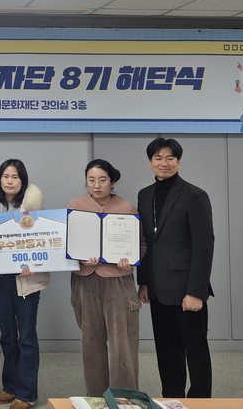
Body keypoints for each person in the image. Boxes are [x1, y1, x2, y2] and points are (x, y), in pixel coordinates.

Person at [137, 138, 214, 398]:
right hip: (158, 289)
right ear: (150, 163)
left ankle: (201, 401)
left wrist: (197, 292)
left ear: (179, 162)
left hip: (186, 289)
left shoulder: (195, 195)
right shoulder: (144, 195)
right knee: (167, 349)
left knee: (195, 349)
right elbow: (146, 242)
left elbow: (204, 246)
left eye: (170, 158)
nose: (164, 163)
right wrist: (144, 282)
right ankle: (172, 398)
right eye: (158, 158)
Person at [67, 159, 145, 396]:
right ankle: (97, 398)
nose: (96, 185)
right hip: (85, 281)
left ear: (112, 182)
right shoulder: (75, 206)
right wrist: (79, 259)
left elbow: (141, 245)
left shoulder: (127, 208)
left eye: (102, 180)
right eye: (91, 180)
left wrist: (130, 258)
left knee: (122, 343)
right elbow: (65, 245)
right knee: (91, 343)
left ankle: (125, 398)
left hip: (118, 281)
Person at [0, 158, 46, 409]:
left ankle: (26, 394)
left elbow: (44, 242)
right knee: (7, 336)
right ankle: (10, 386)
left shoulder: (33, 208)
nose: (10, 181)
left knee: (26, 337)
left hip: (25, 280)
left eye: (15, 177)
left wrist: (33, 262)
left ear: (23, 181)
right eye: (6, 176)